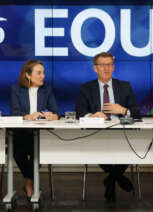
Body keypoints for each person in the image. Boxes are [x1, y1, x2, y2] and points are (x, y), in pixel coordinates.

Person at [75, 52, 141, 201]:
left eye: (110, 65)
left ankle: (111, 179)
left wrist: (123, 110)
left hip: (122, 133)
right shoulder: (86, 88)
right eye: (102, 65)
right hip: (96, 133)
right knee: (93, 146)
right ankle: (117, 177)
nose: (106, 68)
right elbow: (80, 113)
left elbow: (137, 114)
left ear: (113, 67)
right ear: (95, 68)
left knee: (135, 146)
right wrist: (91, 117)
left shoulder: (124, 86)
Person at [10, 60, 59, 201]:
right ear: (28, 75)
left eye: (43, 73)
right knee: (18, 154)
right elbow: (14, 113)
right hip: (21, 133)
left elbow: (56, 112)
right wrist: (28, 117)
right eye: (39, 73)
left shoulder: (47, 90)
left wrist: (52, 116)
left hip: (40, 133)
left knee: (39, 152)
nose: (43, 76)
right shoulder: (16, 89)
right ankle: (31, 180)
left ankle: (29, 183)